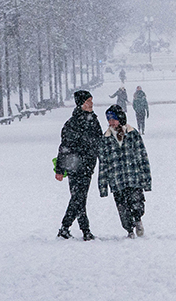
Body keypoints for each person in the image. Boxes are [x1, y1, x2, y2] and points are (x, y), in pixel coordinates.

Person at [97, 104, 152, 238]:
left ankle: (138, 220)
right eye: (109, 120)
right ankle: (129, 230)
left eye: (113, 119)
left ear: (120, 118)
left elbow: (143, 156)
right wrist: (103, 186)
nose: (111, 122)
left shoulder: (132, 134)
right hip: (117, 180)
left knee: (137, 203)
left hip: (134, 178)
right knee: (123, 209)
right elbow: (103, 163)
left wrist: (146, 180)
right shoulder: (105, 139)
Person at [54, 90, 102, 240]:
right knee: (78, 198)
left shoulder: (93, 120)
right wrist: (60, 169)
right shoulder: (72, 123)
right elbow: (65, 147)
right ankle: (75, 229)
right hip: (75, 166)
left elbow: (99, 142)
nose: (91, 104)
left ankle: (74, 230)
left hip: (87, 166)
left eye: (91, 101)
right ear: (81, 104)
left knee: (79, 198)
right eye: (88, 101)